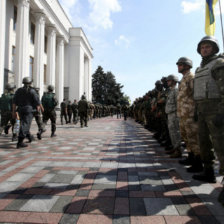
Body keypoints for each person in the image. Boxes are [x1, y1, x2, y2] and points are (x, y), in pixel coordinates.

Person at [192, 36, 224, 205]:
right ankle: (208, 171)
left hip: (215, 109)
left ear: (214, 48)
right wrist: (197, 111)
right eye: (202, 47)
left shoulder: (219, 64)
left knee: (221, 147)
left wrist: (222, 111)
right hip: (202, 110)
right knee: (204, 143)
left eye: (208, 46)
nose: (204, 49)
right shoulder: (199, 69)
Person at [176, 57, 203, 172]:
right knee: (186, 137)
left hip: (191, 114)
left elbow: (196, 95)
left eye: (180, 64)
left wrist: (197, 112)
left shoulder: (191, 78)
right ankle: (191, 157)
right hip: (183, 114)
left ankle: (198, 163)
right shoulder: (183, 79)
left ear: (187, 65)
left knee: (194, 139)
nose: (178, 66)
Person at [12, 77, 40, 148]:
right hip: (28, 110)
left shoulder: (19, 90)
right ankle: (20, 142)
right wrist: (38, 111)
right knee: (25, 125)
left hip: (20, 110)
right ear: (30, 83)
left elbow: (14, 102)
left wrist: (13, 111)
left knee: (23, 124)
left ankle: (29, 137)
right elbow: (37, 103)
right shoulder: (32, 91)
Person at [165, 75, 182, 158]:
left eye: (169, 81)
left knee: (176, 133)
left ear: (174, 81)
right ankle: (175, 148)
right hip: (170, 114)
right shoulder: (170, 91)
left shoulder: (176, 90)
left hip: (174, 114)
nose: (167, 82)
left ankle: (178, 151)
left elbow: (178, 103)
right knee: (172, 133)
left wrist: (177, 115)